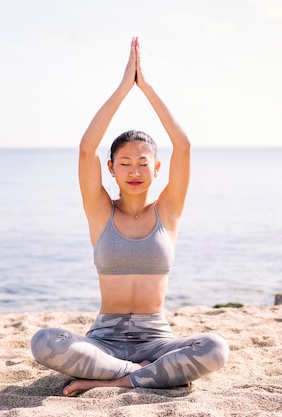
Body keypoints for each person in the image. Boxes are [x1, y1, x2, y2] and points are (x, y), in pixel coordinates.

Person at [30, 37, 229, 397]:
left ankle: (116, 379)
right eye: (124, 163)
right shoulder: (99, 210)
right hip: (104, 340)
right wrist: (124, 87)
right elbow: (86, 148)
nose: (134, 170)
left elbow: (183, 146)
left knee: (215, 347)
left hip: (157, 340)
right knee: (44, 341)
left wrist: (147, 88)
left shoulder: (168, 212)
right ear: (111, 168)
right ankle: (143, 375)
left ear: (156, 168)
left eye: (142, 163)